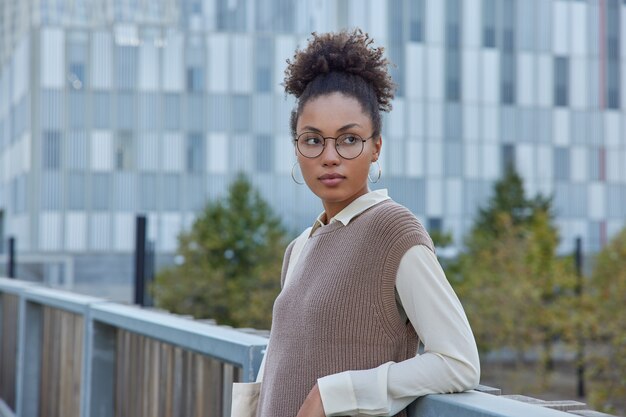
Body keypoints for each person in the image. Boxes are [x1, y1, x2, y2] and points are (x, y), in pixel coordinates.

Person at [255, 29, 480, 417]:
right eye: (312, 140)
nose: (329, 156)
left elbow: (458, 362)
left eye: (348, 139)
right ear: (296, 146)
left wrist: (337, 393)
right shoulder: (299, 248)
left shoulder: (393, 230)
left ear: (376, 146)